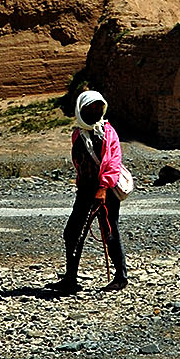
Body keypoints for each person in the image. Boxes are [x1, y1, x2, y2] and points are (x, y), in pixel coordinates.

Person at [59, 89, 128, 292]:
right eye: (92, 108)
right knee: (72, 232)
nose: (96, 111)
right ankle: (70, 279)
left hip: (106, 190)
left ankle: (121, 277)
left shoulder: (108, 132)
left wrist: (103, 187)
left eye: (99, 107)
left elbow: (113, 163)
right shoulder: (78, 134)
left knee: (110, 232)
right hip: (85, 190)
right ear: (82, 110)